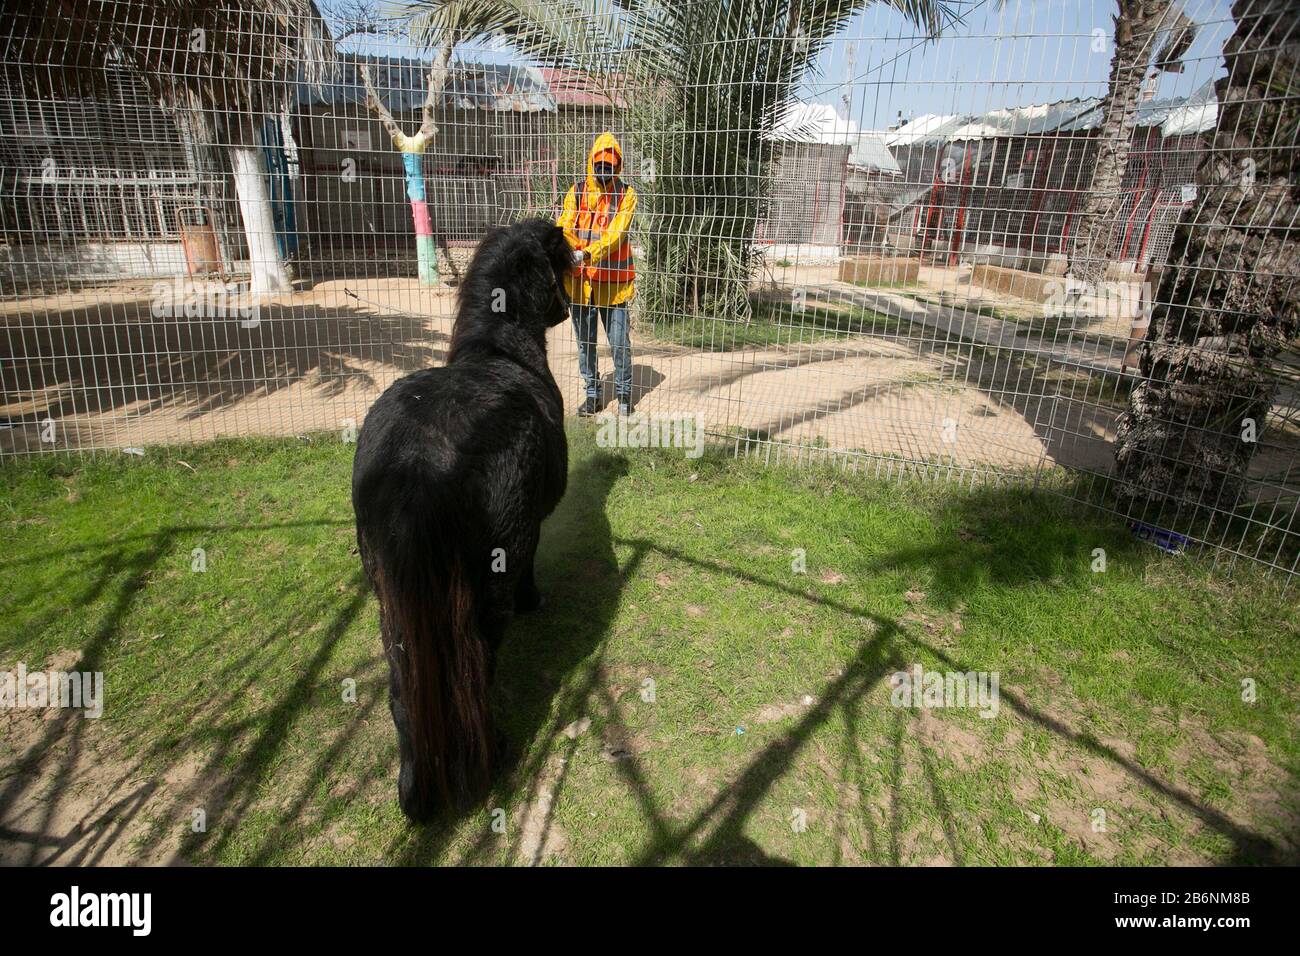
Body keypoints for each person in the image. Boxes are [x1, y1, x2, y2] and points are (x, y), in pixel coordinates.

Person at [557, 131, 637, 416]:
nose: (604, 171)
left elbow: (617, 233)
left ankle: (625, 396)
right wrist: (573, 247)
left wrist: (588, 251)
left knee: (619, 344)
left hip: (613, 286)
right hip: (580, 283)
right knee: (585, 345)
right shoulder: (577, 192)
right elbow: (564, 226)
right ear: (592, 163)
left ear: (618, 167)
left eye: (610, 167)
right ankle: (592, 396)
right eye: (599, 165)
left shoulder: (626, 195)